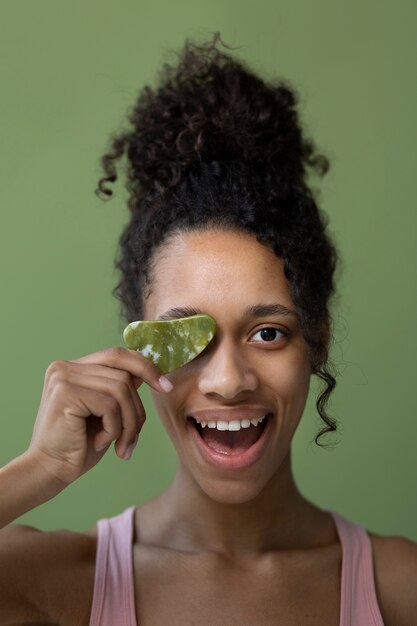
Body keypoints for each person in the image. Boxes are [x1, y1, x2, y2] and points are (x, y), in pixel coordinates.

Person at [0, 32, 416, 626]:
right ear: (139, 350)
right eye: (188, 338)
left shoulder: (399, 588)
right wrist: (38, 471)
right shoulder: (51, 584)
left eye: (268, 332)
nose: (227, 381)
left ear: (316, 338)